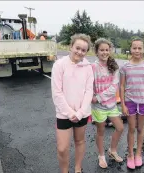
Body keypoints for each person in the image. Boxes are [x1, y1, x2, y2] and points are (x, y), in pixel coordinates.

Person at [51, 33, 94, 173]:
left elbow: (89, 91)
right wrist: (70, 113)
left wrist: (80, 112)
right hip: (64, 114)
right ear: (71, 46)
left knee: (79, 141)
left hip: (82, 113)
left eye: (83, 50)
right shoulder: (59, 65)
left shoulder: (88, 67)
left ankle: (77, 168)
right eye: (77, 48)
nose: (79, 52)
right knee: (62, 148)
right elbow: (57, 93)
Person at [119, 38, 144, 169]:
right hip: (130, 102)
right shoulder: (125, 67)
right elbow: (122, 86)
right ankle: (130, 155)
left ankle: (138, 153)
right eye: (134, 48)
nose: (137, 50)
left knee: (140, 129)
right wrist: (122, 104)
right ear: (131, 49)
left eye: (140, 48)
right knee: (131, 129)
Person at [91, 38, 124, 169]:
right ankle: (101, 156)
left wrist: (98, 97)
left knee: (120, 128)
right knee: (101, 131)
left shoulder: (114, 66)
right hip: (98, 107)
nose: (105, 52)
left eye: (107, 50)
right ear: (96, 52)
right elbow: (88, 84)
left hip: (110, 105)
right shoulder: (92, 67)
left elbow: (113, 87)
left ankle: (112, 150)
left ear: (110, 51)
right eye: (102, 50)